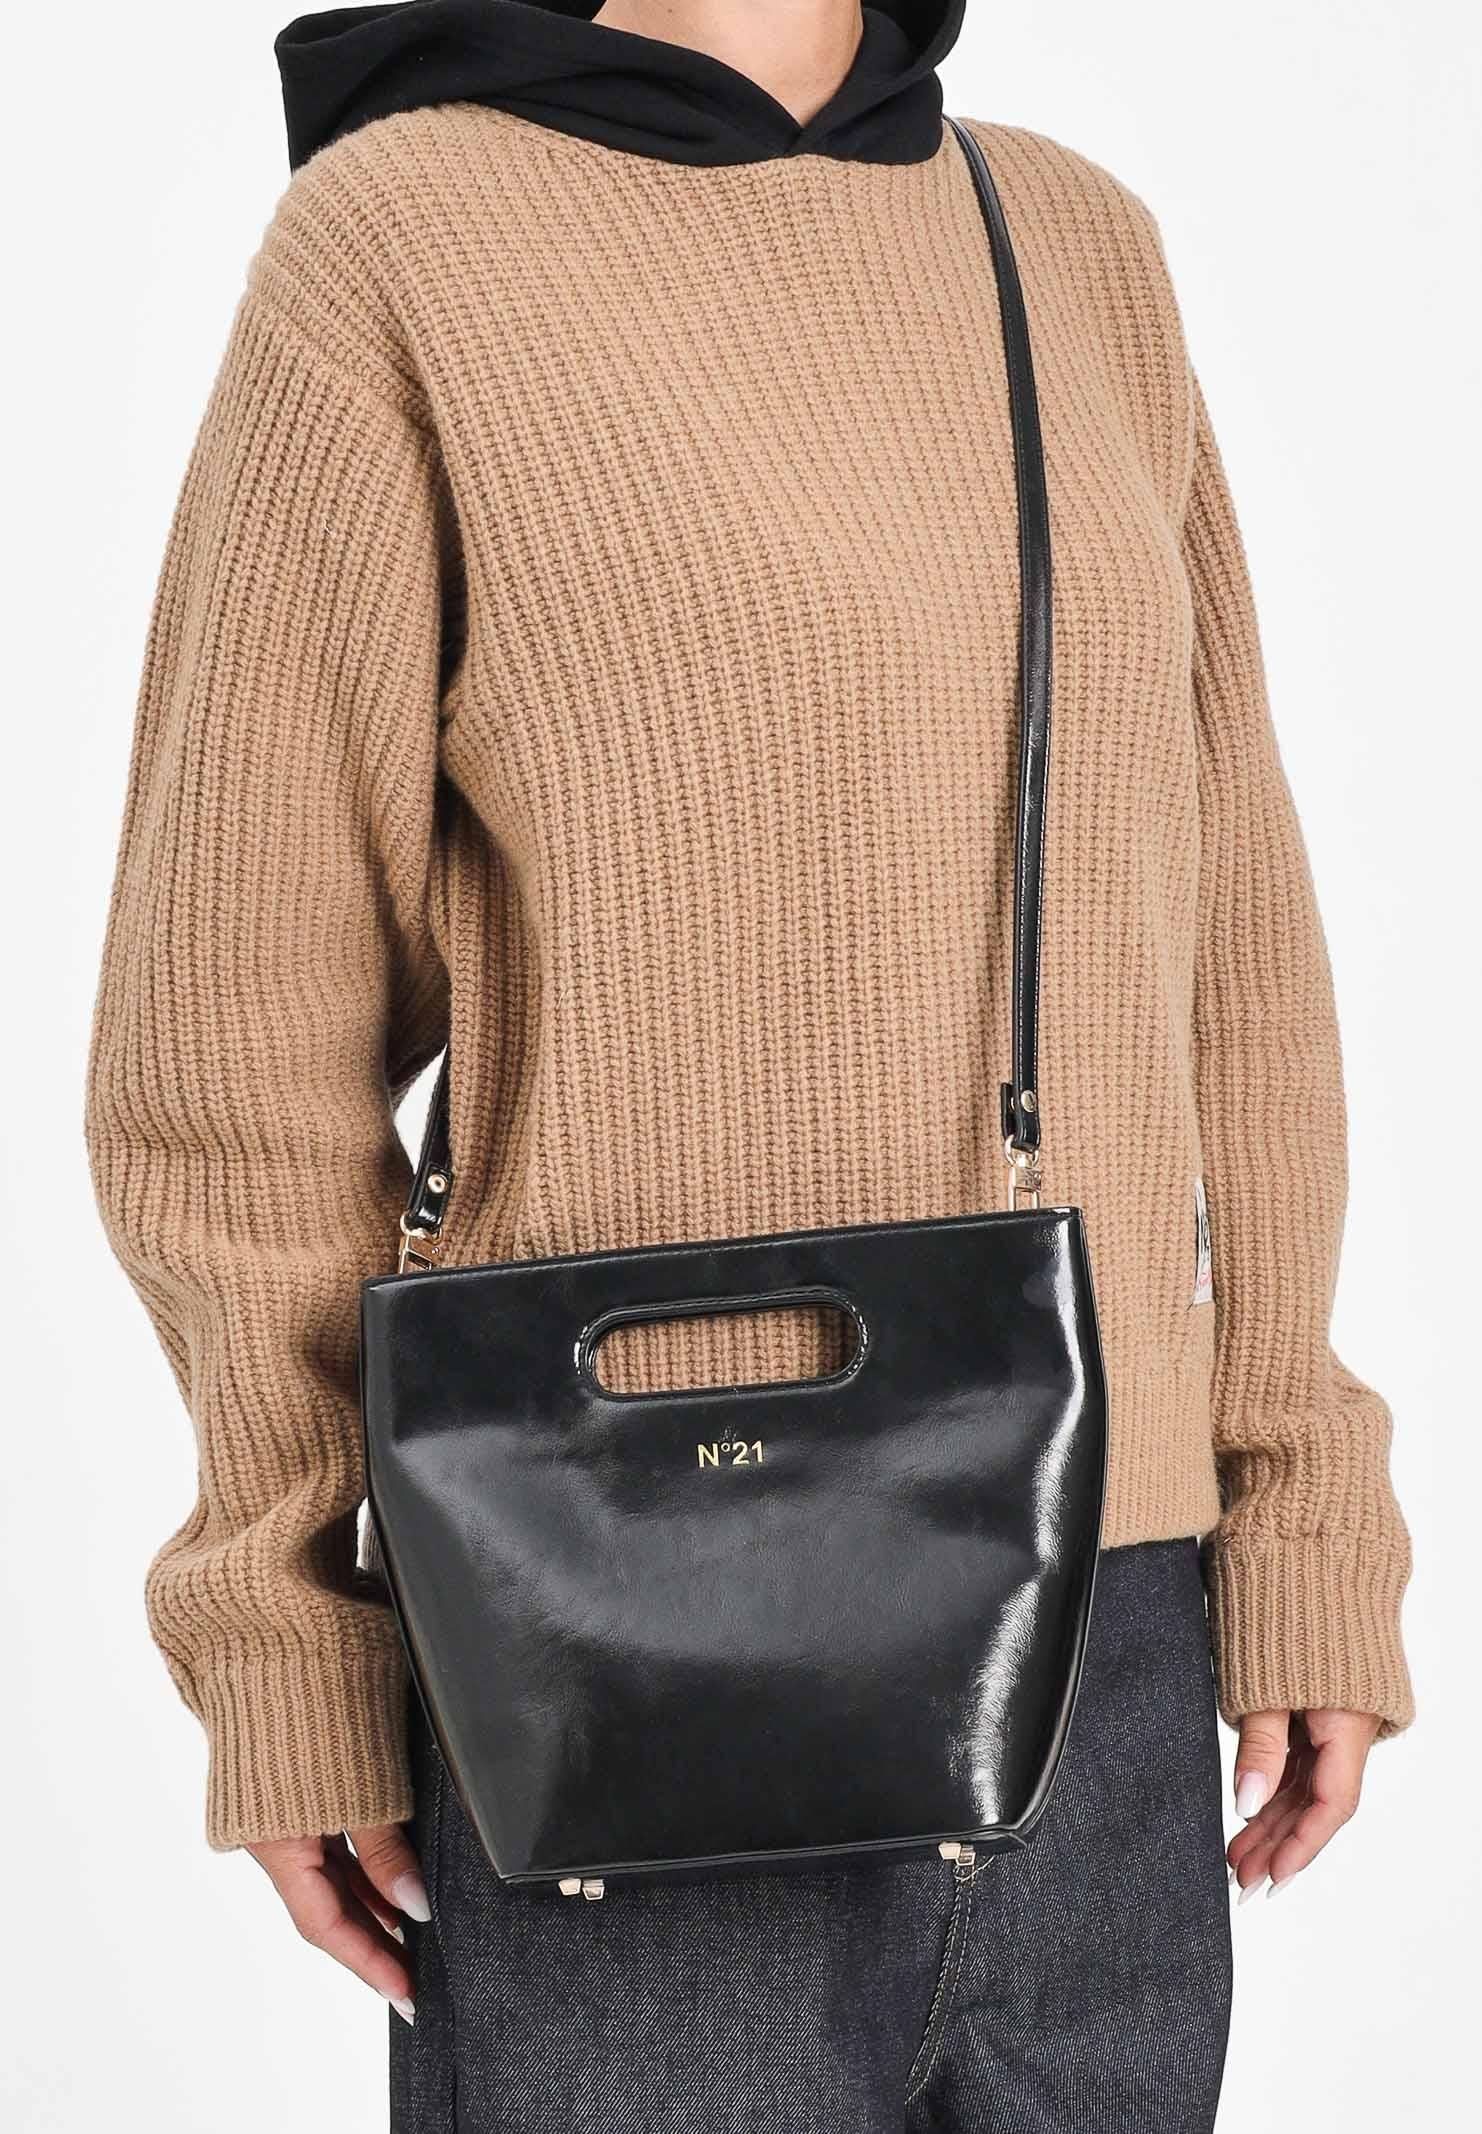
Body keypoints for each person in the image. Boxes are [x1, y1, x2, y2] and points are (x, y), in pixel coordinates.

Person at [84, 4, 1413, 2128]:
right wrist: (287, 1630)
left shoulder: (1070, 244)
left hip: (1104, 1634)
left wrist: (1303, 1505)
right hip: (617, 1628)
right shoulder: (402, 243)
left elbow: (1226, 943)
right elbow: (231, 1043)